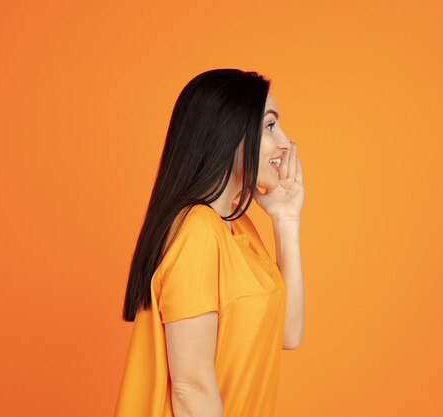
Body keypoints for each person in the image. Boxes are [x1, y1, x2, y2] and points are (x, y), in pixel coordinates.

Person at [114, 68, 305, 417]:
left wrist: (286, 219)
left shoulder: (236, 225)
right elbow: (190, 388)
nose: (285, 143)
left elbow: (288, 333)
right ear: (227, 134)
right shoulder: (197, 232)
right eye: (269, 126)